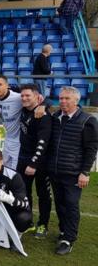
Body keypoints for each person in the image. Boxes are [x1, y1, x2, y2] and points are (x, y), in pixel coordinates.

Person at [46, 86, 98, 255]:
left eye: (67, 98)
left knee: (71, 205)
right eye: (61, 98)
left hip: (74, 173)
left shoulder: (87, 120)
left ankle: (69, 239)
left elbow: (91, 148)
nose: (63, 101)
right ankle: (63, 231)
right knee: (60, 204)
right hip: (55, 171)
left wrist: (85, 172)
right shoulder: (55, 117)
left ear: (76, 101)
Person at [17, 84, 52, 239]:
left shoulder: (43, 115)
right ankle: (28, 221)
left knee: (43, 193)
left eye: (28, 96)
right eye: (22, 96)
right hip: (22, 158)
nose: (24, 98)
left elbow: (43, 143)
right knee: (24, 192)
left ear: (37, 97)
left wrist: (34, 163)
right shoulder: (24, 110)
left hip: (40, 162)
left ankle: (43, 224)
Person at [0, 75, 23, 170]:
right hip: (7, 139)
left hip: (19, 142)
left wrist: (43, 104)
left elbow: (41, 99)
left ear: (7, 85)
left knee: (15, 173)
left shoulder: (18, 98)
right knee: (3, 170)